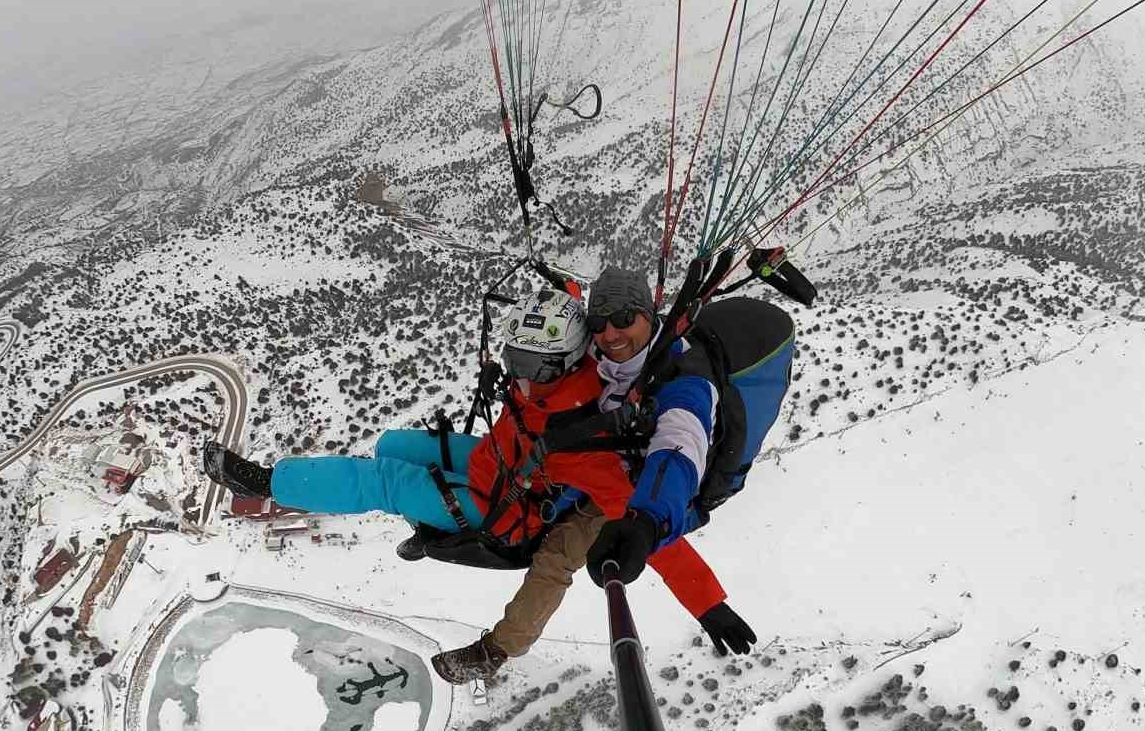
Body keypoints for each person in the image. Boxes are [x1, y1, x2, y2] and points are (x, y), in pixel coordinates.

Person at [203, 284, 751, 684]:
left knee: (385, 479)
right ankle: (427, 526)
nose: (517, 373)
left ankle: (269, 481)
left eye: (529, 366)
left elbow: (652, 531)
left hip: (501, 506)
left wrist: (707, 604)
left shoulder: (588, 444)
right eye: (514, 360)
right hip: (498, 457)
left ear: (557, 367)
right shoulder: (573, 364)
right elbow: (571, 315)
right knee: (394, 444)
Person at [577, 267, 793, 640]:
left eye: (624, 319)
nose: (609, 333)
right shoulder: (607, 353)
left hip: (659, 494)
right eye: (599, 321)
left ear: (648, 314)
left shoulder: (685, 382)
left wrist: (647, 523)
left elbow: (678, 448)